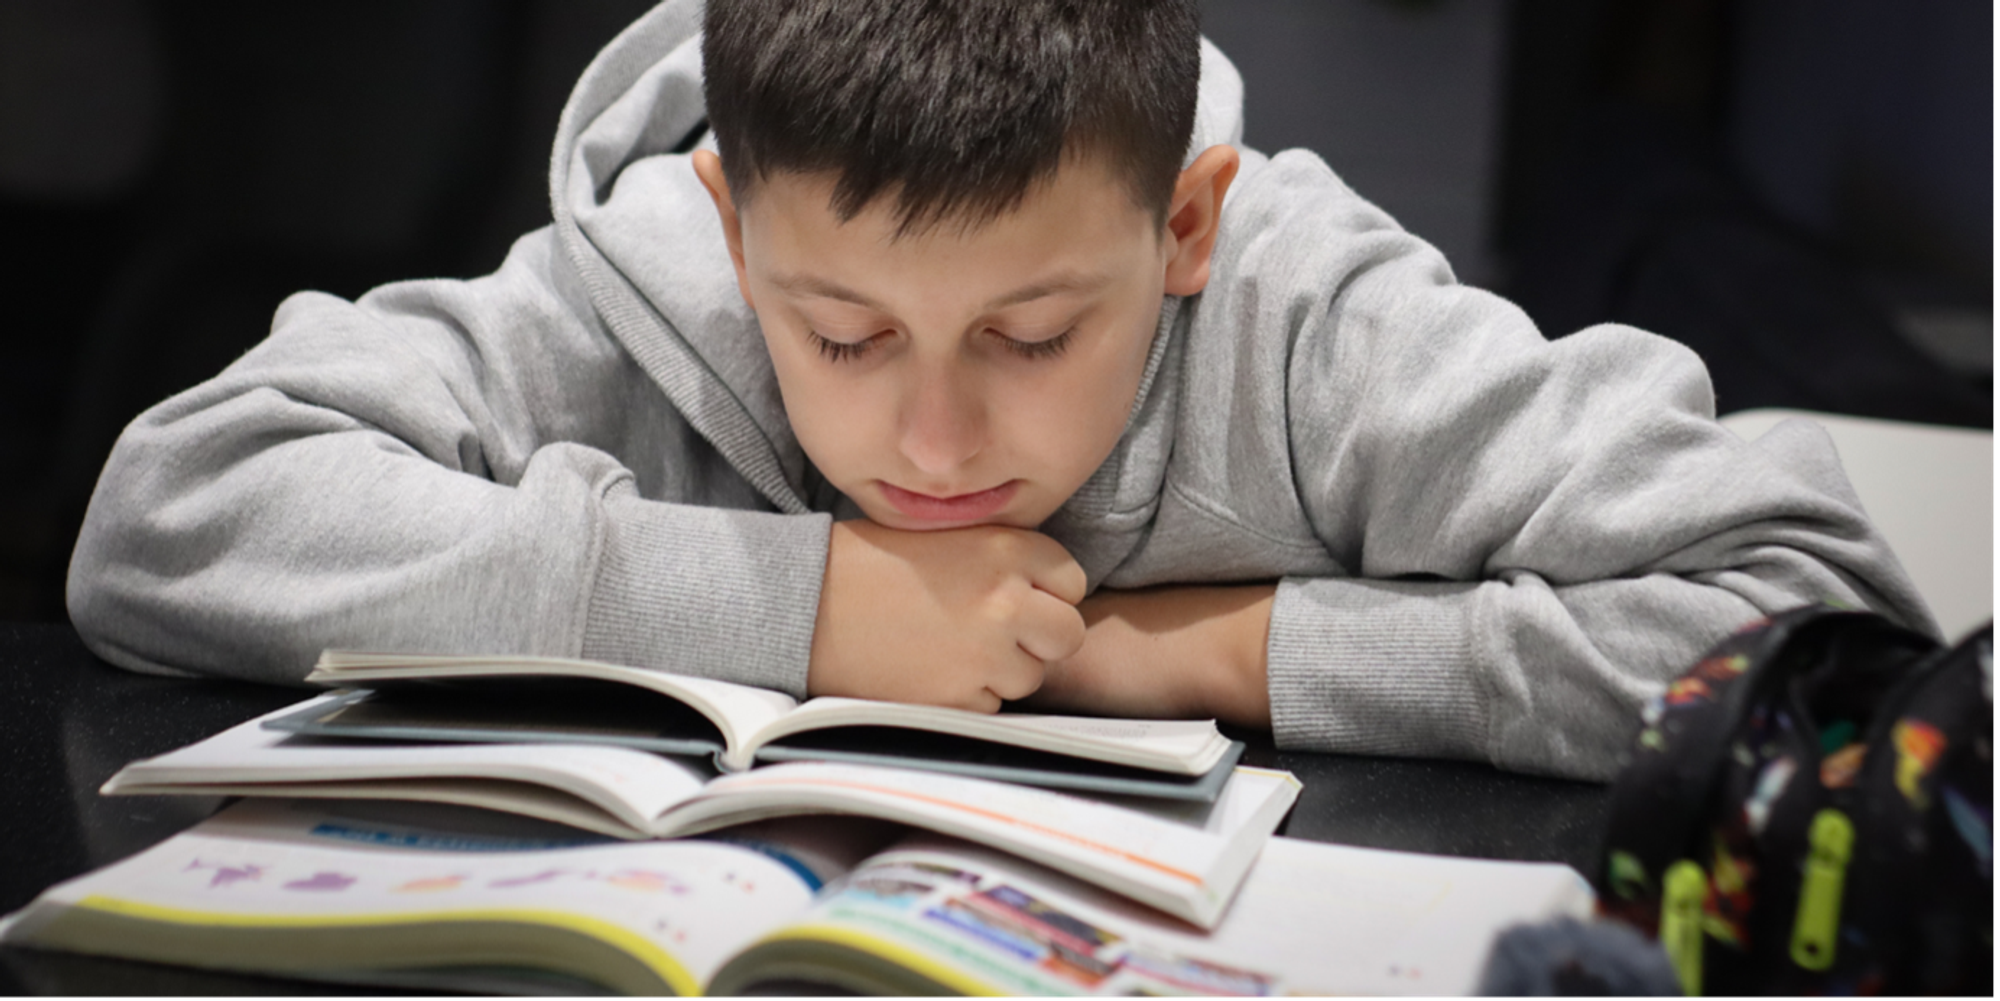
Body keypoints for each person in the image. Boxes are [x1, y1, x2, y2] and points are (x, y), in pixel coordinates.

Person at [66, 0, 1932, 780]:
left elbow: (1821, 628)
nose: (933, 441)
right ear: (734, 230)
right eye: (844, 338)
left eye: (1034, 337)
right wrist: (799, 609)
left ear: (1184, 221)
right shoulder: (652, 278)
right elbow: (174, 510)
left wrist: (1217, 651)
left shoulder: (1316, 333)